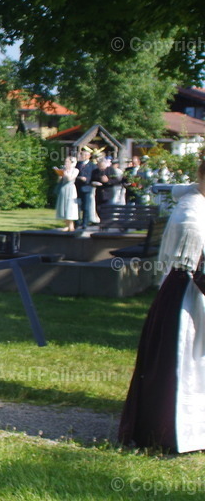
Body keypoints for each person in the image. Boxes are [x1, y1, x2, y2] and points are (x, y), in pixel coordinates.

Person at [118, 158, 205, 453]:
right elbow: (193, 268)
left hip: (191, 292)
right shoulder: (190, 215)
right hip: (186, 297)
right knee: (182, 361)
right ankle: (169, 432)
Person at [54, 155, 79, 232]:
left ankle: (71, 226)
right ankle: (67, 225)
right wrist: (60, 174)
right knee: (63, 206)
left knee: (70, 207)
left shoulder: (75, 170)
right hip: (63, 189)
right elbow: (59, 181)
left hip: (70, 189)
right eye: (65, 162)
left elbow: (70, 179)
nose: (66, 163)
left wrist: (65, 172)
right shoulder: (64, 170)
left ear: (71, 163)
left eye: (67, 162)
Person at [75, 147, 97, 228]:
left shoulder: (92, 165)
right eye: (82, 155)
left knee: (86, 206)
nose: (83, 156)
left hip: (87, 187)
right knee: (77, 206)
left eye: (85, 155)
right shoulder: (78, 164)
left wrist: (87, 180)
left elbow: (94, 176)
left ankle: (85, 222)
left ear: (89, 156)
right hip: (78, 187)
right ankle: (77, 222)